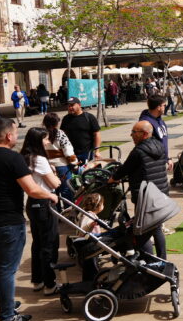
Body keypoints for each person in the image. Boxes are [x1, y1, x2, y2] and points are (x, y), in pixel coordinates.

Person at [0, 118, 59, 321]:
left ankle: (6, 304)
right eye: (16, 133)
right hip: (8, 221)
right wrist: (50, 196)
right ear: (9, 136)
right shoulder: (12, 158)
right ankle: (7, 317)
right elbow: (32, 189)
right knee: (7, 269)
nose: (17, 136)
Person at [109, 121, 170, 259]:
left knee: (142, 231)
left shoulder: (139, 151)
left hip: (145, 196)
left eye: (134, 132)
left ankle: (148, 261)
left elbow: (125, 169)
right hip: (161, 193)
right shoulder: (160, 146)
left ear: (145, 134)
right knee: (156, 228)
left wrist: (112, 178)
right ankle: (162, 259)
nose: (131, 135)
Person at [20, 127, 62, 296]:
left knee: (37, 242)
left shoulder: (24, 158)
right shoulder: (40, 159)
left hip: (32, 203)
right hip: (45, 201)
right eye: (45, 139)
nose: (48, 142)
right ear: (38, 141)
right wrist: (54, 174)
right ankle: (50, 283)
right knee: (49, 243)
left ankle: (38, 280)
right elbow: (54, 184)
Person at [42, 113, 77, 202]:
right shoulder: (60, 133)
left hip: (48, 167)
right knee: (66, 191)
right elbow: (68, 151)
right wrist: (74, 163)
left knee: (53, 192)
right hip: (62, 166)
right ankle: (68, 209)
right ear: (56, 123)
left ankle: (55, 210)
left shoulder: (41, 134)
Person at [61, 97, 101, 166]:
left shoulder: (89, 117)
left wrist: (97, 151)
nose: (70, 107)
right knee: (74, 172)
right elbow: (63, 135)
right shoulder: (66, 119)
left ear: (79, 105)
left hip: (87, 153)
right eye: (69, 106)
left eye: (72, 105)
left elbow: (97, 134)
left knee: (88, 172)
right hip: (71, 153)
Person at [139, 94, 173, 174]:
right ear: (158, 107)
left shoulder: (159, 119)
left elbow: (163, 141)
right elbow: (144, 145)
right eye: (164, 105)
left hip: (161, 161)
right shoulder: (146, 123)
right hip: (152, 165)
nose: (165, 107)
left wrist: (167, 158)